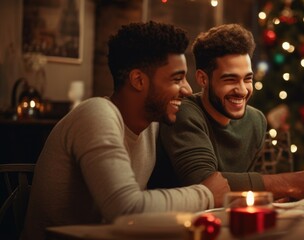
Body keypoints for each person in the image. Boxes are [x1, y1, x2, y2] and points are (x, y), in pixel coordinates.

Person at [21, 21, 230, 240]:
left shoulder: (152, 126)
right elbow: (125, 210)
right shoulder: (95, 114)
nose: (187, 90)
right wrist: (206, 194)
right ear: (138, 80)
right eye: (177, 79)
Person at [149, 23, 304, 201]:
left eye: (247, 79)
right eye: (230, 80)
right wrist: (290, 182)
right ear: (203, 79)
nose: (242, 90)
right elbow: (204, 185)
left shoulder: (256, 120)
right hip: (178, 224)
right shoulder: (183, 112)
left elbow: (248, 193)